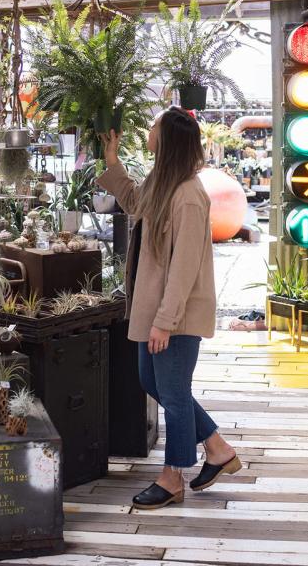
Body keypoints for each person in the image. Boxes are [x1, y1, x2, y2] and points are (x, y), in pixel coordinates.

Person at [98, 107, 240, 510]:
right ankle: (217, 447)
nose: (149, 129)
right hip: (153, 307)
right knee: (151, 380)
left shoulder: (190, 196)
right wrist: (113, 165)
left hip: (174, 314)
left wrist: (165, 322)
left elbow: (184, 267)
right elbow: (134, 202)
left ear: (169, 138)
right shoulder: (163, 183)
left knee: (174, 394)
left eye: (154, 125)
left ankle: (173, 475)